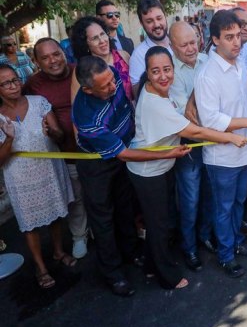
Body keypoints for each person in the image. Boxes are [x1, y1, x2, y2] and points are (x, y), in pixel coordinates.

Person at [128, 47, 247, 288]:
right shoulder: (154, 103)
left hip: (161, 167)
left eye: (167, 69)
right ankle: (167, 277)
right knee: (159, 225)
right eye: (155, 71)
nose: (163, 76)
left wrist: (192, 99)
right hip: (147, 173)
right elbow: (196, 131)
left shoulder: (160, 90)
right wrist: (232, 137)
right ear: (147, 73)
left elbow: (190, 104)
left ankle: (151, 267)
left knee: (158, 222)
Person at [72, 56, 189, 297]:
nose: (113, 87)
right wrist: (167, 152)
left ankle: (134, 253)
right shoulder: (87, 119)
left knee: (126, 208)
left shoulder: (110, 74)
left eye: (111, 80)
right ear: (86, 89)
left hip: (130, 147)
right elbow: (123, 155)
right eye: (104, 87)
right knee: (103, 218)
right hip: (100, 164)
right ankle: (113, 273)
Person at [195, 10, 247, 278]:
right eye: (229, 37)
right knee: (223, 208)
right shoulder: (208, 74)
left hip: (246, 151)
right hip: (222, 158)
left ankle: (236, 243)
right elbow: (210, 119)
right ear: (214, 39)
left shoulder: (241, 66)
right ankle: (226, 255)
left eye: (238, 36)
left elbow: (245, 101)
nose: (236, 42)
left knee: (239, 203)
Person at [0, 64, 75, 289]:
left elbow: (60, 135)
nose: (13, 86)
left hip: (49, 169)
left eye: (15, 80)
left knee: (55, 213)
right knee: (30, 224)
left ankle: (59, 251)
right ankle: (40, 267)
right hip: (21, 177)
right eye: (5, 83)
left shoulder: (38, 102)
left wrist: (51, 131)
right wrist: (10, 139)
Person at [25, 38, 89, 259]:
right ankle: (79, 235)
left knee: (100, 195)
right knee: (76, 197)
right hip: (64, 153)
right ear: (36, 62)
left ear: (64, 53)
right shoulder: (33, 85)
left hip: (94, 149)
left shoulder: (80, 71)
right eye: (45, 57)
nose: (53, 61)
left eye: (56, 54)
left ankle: (101, 233)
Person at [167, 22, 214, 269]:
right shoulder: (170, 71)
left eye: (193, 41)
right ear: (172, 46)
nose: (190, 48)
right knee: (190, 199)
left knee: (210, 194)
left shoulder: (208, 60)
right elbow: (188, 116)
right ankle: (189, 248)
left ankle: (205, 236)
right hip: (189, 144)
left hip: (214, 140)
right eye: (183, 45)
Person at [71, 16, 134, 101]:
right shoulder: (82, 70)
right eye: (94, 38)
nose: (102, 41)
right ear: (85, 44)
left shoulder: (124, 55)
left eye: (102, 34)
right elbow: (76, 105)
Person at [129, 0, 172, 86]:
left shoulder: (178, 43)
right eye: (149, 21)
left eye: (159, 18)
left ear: (165, 16)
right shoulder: (138, 55)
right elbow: (137, 92)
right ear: (142, 24)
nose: (156, 25)